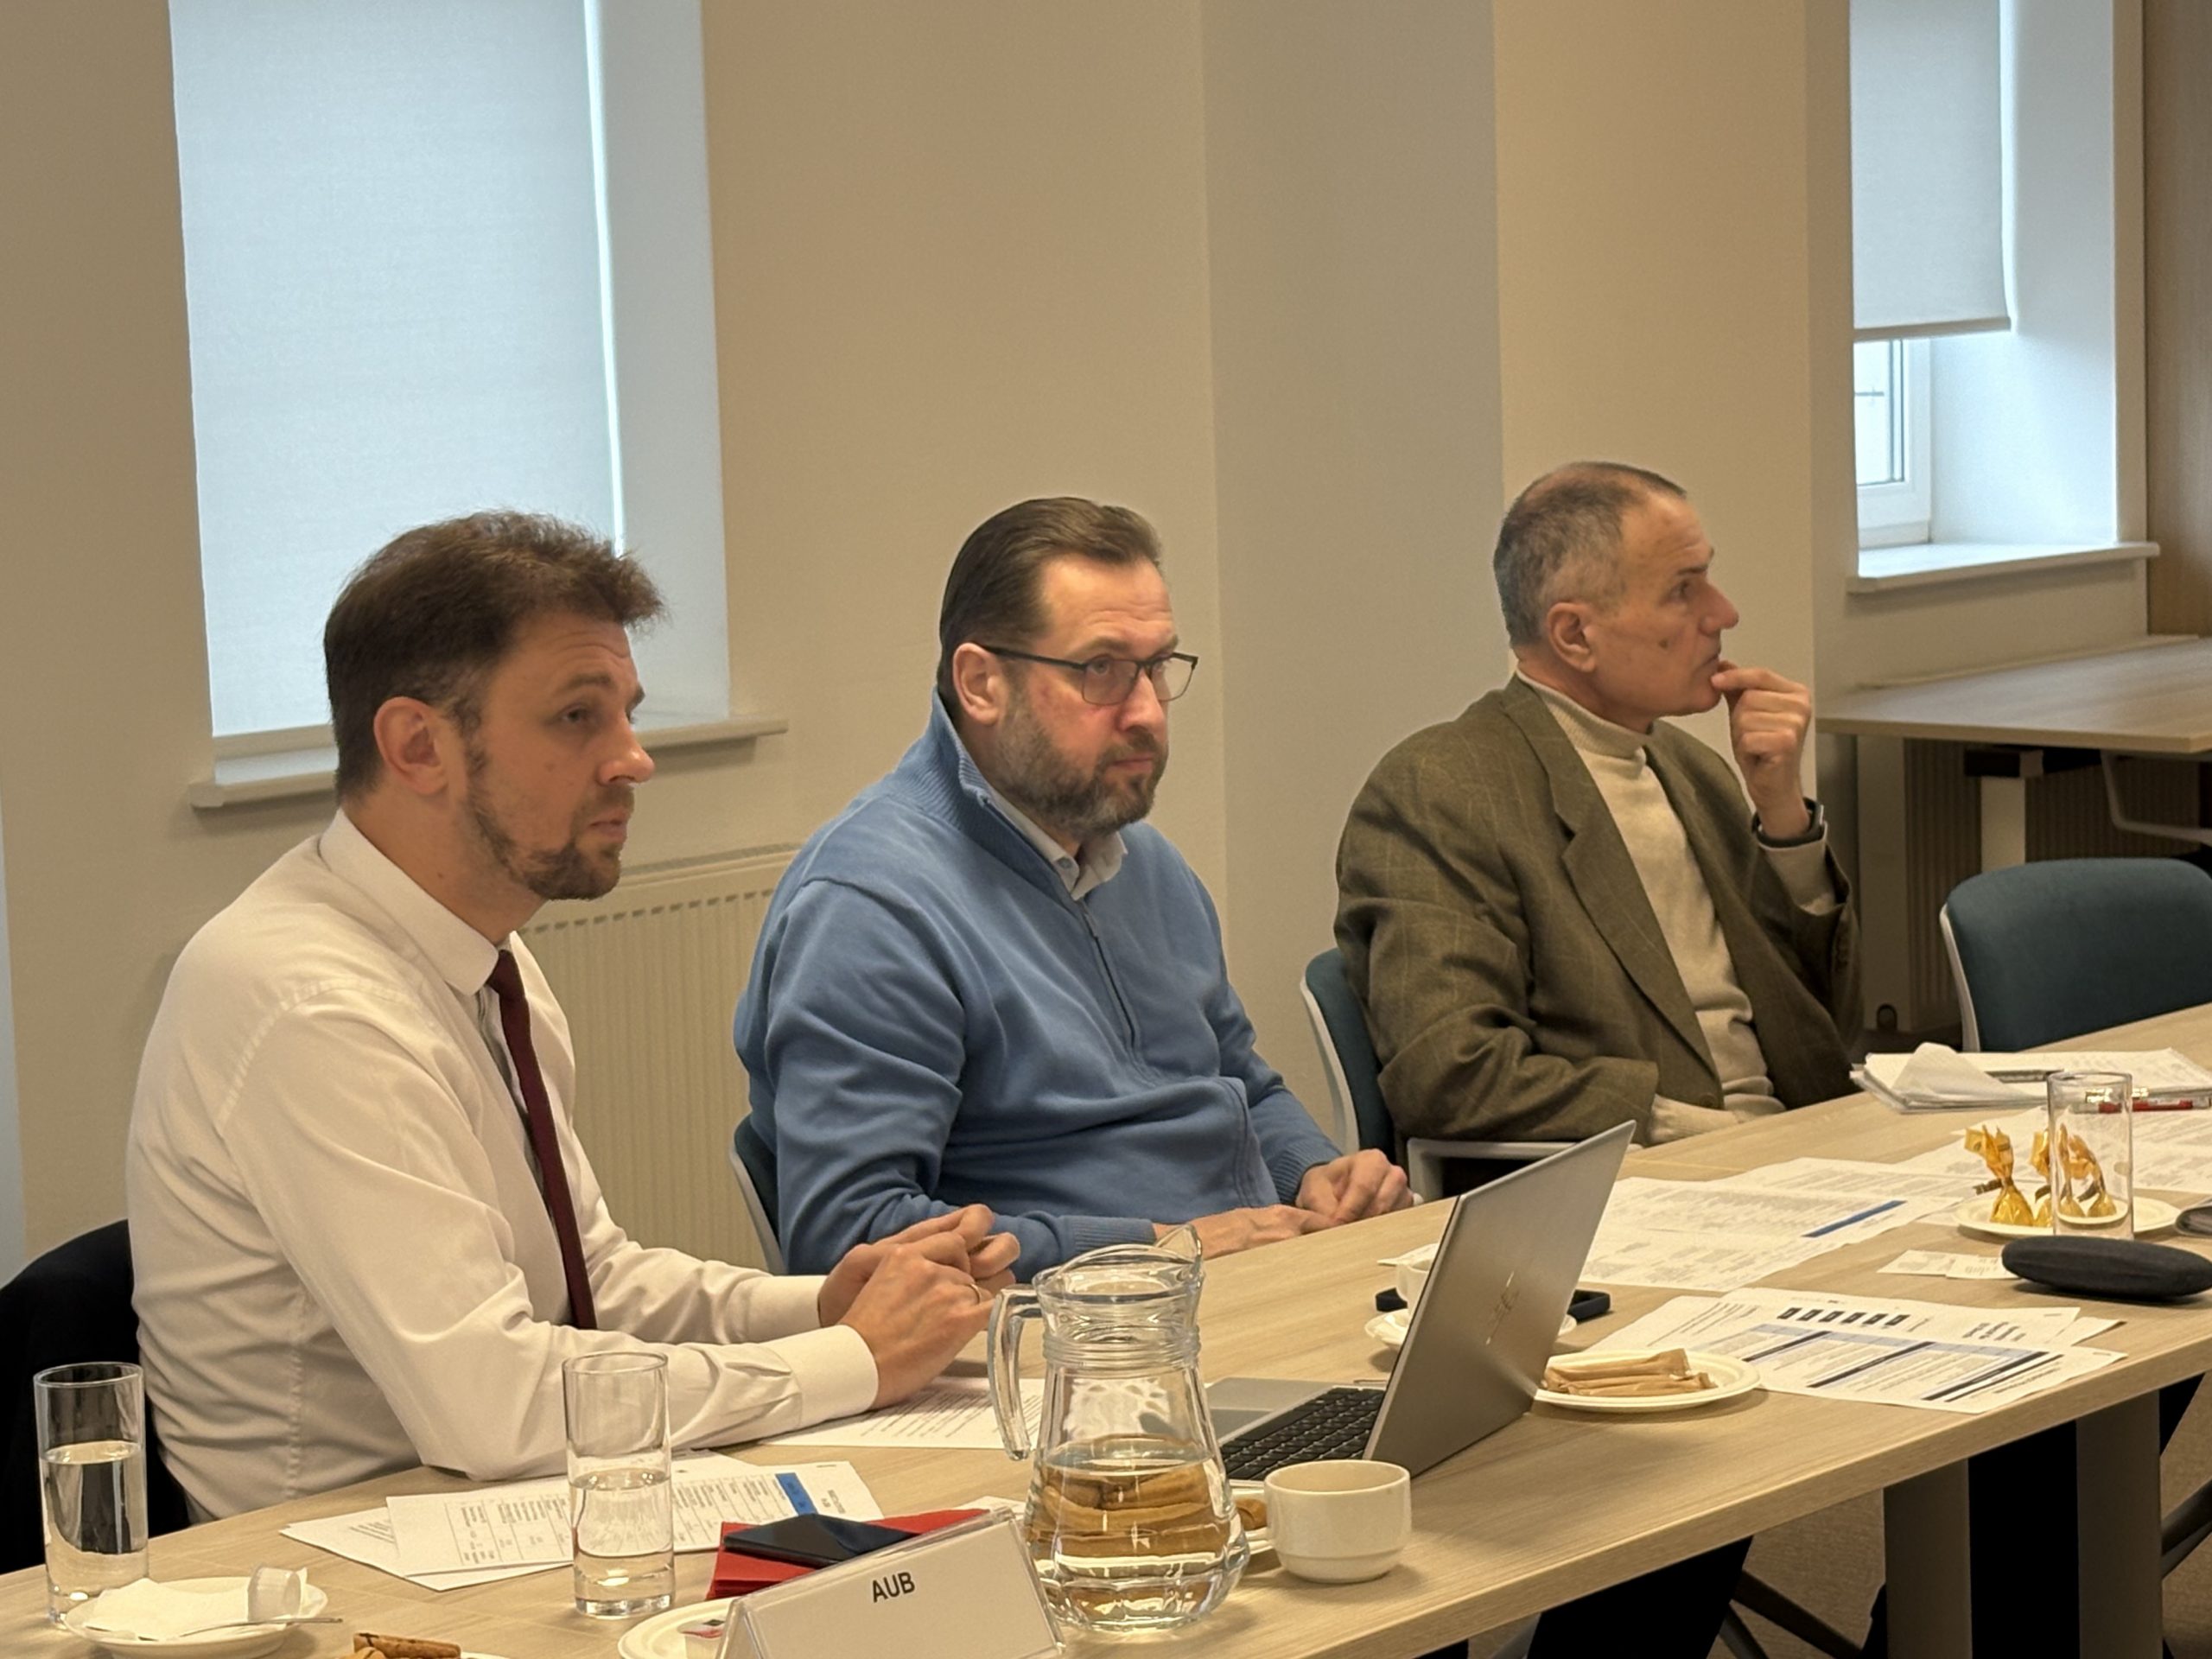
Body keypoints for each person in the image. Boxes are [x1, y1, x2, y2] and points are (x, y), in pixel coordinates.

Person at [127, 512, 1017, 1520]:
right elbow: (493, 1407)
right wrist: (853, 1360)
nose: (633, 759)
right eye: (576, 717)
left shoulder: (482, 953)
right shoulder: (310, 1003)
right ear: (417, 746)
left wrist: (820, 1306)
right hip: (333, 1557)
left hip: (490, 1517)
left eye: (625, 714)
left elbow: (590, 1279)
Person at [734, 497, 1410, 1281]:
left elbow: (1239, 1083)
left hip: (1252, 1280)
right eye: (1102, 671)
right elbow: (853, 1238)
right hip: (1074, 1334)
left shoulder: (1145, 863)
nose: (1148, 712)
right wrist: (1163, 1249)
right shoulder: (871, 908)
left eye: (1158, 667)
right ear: (981, 683)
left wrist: (1316, 1173)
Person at [1338, 461, 1859, 1150]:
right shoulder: (1442, 790)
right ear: (1575, 635)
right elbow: (1452, 1073)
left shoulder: (1692, 769)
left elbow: (1821, 1031)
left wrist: (1783, 818)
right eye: (1683, 591)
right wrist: (1683, 1127)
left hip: (1797, 1154)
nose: (1723, 614)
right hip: (1645, 1178)